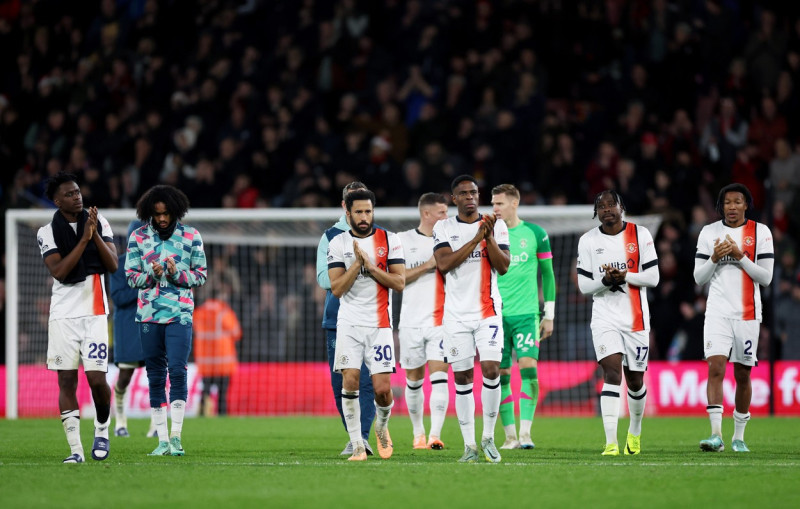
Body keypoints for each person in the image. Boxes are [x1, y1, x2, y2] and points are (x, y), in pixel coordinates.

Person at [37, 171, 118, 463]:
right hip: (62, 316)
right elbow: (59, 271)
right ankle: (76, 450)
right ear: (58, 201)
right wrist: (83, 240)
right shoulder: (46, 232)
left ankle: (102, 429)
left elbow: (112, 265)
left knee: (97, 379)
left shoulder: (99, 222)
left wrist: (93, 233)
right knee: (67, 383)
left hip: (94, 311)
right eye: (70, 194)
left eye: (78, 191)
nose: (77, 196)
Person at [432, 175, 510, 463]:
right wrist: (477, 238)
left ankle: (488, 437)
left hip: (487, 312)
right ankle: (469, 446)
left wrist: (487, 235)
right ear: (454, 199)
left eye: (474, 192)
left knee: (491, 370)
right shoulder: (443, 227)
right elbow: (444, 264)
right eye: (463, 193)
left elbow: (503, 267)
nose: (470, 197)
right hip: (455, 316)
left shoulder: (496, 225)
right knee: (463, 377)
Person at [125, 185, 207, 456]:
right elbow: (130, 277)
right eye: (157, 213)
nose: (161, 218)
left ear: (176, 211)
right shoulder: (137, 237)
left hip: (180, 314)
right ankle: (161, 440)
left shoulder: (191, 236)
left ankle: (176, 437)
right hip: (148, 315)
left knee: (178, 370)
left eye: (166, 213)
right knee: (155, 375)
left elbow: (201, 275)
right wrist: (150, 274)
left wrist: (176, 273)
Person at [576, 190, 659, 456]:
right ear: (596, 212)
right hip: (604, 317)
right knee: (612, 373)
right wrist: (606, 281)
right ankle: (611, 442)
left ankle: (634, 432)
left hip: (636, 318)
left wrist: (624, 276)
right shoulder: (588, 241)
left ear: (622, 207)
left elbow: (654, 277)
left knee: (635, 381)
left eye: (612, 204)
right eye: (601, 206)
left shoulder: (641, 234)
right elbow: (583, 285)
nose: (607, 209)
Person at [693, 183, 774, 452]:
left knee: (742, 374)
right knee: (715, 368)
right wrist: (715, 258)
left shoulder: (759, 232)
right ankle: (716, 435)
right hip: (717, 312)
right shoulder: (709, 232)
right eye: (727, 202)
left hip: (748, 314)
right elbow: (698, 277)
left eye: (737, 201)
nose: (732, 207)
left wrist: (740, 257)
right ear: (721, 206)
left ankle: (739, 436)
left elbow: (766, 277)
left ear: (746, 205)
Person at [327, 188, 405, 461]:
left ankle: (381, 427)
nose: (364, 217)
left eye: (368, 211)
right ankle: (357, 443)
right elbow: (336, 288)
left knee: (383, 391)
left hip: (380, 324)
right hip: (349, 322)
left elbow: (399, 282)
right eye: (358, 212)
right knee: (349, 381)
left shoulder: (390, 240)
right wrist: (356, 265)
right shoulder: (337, 243)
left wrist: (371, 267)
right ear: (347, 212)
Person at [491, 184, 556, 450]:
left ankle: (526, 433)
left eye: (499, 204)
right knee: (502, 374)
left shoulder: (536, 234)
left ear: (514, 203)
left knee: (529, 367)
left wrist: (549, 314)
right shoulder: (488, 233)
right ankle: (509, 437)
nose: (495, 209)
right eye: (493, 204)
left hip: (527, 314)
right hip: (495, 316)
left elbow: (549, 275)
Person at [316, 181, 376, 456]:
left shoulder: (379, 236)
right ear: (345, 206)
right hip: (337, 318)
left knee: (366, 380)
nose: (362, 213)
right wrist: (354, 270)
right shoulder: (330, 236)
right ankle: (354, 435)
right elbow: (323, 279)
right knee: (340, 382)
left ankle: (361, 437)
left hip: (372, 317)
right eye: (355, 204)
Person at [397, 192, 450, 450]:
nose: (446, 216)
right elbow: (396, 279)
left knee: (440, 377)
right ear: (426, 214)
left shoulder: (450, 239)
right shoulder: (403, 240)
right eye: (441, 212)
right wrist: (429, 265)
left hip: (442, 321)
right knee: (414, 380)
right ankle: (418, 434)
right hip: (410, 322)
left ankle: (435, 435)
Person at [109, 219, 157, 437]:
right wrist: (144, 286)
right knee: (125, 375)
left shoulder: (155, 263)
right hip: (127, 327)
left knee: (156, 374)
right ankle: (120, 422)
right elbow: (118, 297)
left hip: (152, 324)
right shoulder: (118, 265)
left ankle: (156, 425)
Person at [194, 280, 242, 416]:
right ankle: (221, 416)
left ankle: (202, 414)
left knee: (206, 390)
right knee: (222, 394)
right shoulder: (224, 312)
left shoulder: (199, 313)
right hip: (223, 363)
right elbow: (237, 332)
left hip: (206, 363)